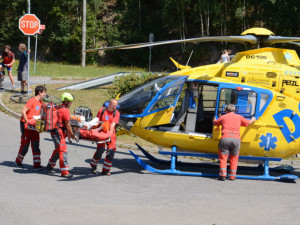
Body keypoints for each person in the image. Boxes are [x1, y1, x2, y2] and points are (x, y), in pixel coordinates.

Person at [213, 104, 256, 181]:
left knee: (223, 157)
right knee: (234, 158)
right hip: (236, 139)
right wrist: (253, 119)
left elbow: (216, 123)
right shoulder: (239, 117)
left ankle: (223, 175)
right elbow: (248, 123)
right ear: (234, 110)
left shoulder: (223, 117)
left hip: (225, 138)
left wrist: (215, 119)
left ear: (226, 110)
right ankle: (232, 176)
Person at [15, 85, 47, 169]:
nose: (45, 94)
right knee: (25, 145)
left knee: (36, 144)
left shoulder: (41, 102)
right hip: (26, 124)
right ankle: (18, 161)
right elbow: (23, 111)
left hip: (35, 125)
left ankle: (37, 165)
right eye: (44, 92)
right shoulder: (31, 101)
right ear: (39, 92)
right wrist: (27, 121)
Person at [46, 93, 76, 178]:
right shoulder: (65, 110)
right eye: (70, 101)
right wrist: (72, 134)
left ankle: (50, 166)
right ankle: (64, 172)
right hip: (58, 133)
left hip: (55, 132)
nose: (71, 103)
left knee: (58, 149)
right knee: (63, 151)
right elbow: (68, 125)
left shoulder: (59, 107)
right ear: (66, 101)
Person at [90, 99, 120, 175]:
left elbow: (113, 125)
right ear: (109, 104)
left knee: (111, 150)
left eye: (116, 106)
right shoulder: (102, 110)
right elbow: (97, 121)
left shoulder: (116, 113)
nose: (114, 107)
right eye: (113, 105)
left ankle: (106, 170)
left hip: (110, 133)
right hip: (101, 133)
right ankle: (93, 165)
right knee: (100, 150)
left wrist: (109, 134)